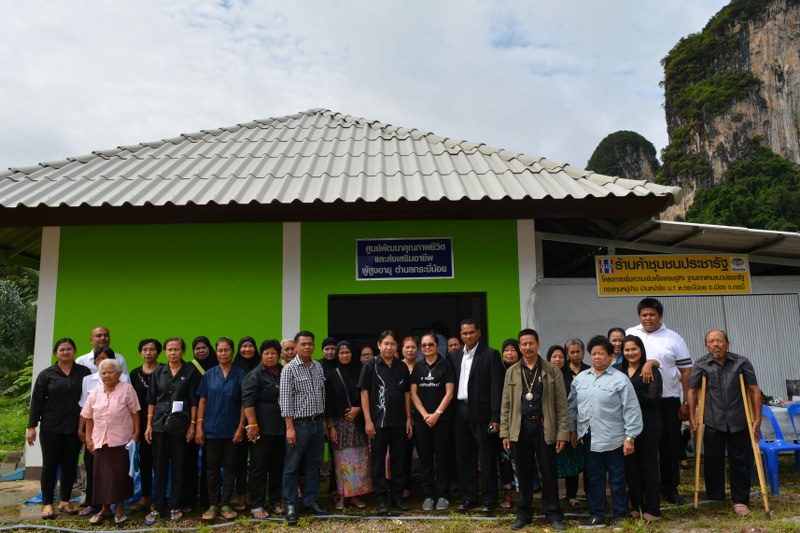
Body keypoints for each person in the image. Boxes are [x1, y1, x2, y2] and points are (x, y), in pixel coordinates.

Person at [568, 335, 642, 529]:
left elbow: (631, 409)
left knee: (617, 478)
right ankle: (596, 515)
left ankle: (619, 515)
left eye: (601, 353)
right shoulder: (581, 379)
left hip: (615, 438)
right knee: (593, 478)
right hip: (589, 437)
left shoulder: (620, 379)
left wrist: (630, 437)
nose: (597, 357)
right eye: (593, 354)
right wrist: (572, 430)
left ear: (611, 357)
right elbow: (571, 407)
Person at [500, 329, 569, 531]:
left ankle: (553, 513)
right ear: (520, 347)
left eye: (531, 343)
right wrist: (505, 432)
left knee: (548, 471)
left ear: (538, 344)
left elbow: (561, 405)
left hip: (544, 426)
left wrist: (562, 433)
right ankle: (524, 513)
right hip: (520, 427)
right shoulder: (512, 371)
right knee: (523, 473)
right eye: (524, 344)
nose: (527, 347)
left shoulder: (551, 370)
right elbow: (506, 404)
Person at [688, 330, 762, 517]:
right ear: (706, 346)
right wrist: (692, 416)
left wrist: (758, 417)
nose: (716, 344)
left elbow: (754, 391)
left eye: (719, 340)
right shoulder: (701, 364)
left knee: (741, 461)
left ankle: (740, 500)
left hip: (739, 420)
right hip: (713, 421)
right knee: (713, 460)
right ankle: (716, 496)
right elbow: (691, 391)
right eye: (711, 341)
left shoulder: (741, 362)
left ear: (727, 343)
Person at [626, 297, 692, 504]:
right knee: (641, 448)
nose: (648, 318)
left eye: (652, 314)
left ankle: (670, 489)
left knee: (670, 447)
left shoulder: (674, 338)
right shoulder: (632, 334)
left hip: (668, 400)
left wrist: (685, 402)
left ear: (660, 316)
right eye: (644, 314)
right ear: (639, 316)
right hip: (638, 402)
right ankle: (641, 491)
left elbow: (686, 372)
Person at [27, 338, 91, 519]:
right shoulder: (47, 374)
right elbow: (37, 402)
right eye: (62, 349)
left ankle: (65, 501)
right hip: (51, 427)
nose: (65, 352)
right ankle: (47, 504)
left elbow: (90, 398)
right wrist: (31, 426)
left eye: (69, 349)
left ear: (75, 351)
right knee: (50, 466)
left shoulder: (84, 372)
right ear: (56, 353)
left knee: (70, 465)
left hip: (75, 427)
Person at [144, 337, 200, 525]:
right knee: (159, 467)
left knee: (178, 466)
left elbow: (194, 401)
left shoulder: (190, 371)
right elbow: (152, 399)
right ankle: (157, 506)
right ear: (165, 352)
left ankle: (176, 505)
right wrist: (149, 425)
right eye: (169, 349)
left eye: (176, 349)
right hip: (159, 425)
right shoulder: (159, 371)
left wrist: (192, 424)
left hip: (180, 426)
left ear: (183, 352)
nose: (173, 353)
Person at [450, 318, 504, 511]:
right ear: (460, 334)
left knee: (487, 457)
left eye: (471, 332)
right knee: (464, 458)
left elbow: (496, 388)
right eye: (464, 333)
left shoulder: (490, 355)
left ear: (479, 333)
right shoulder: (455, 356)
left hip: (483, 413)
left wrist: (495, 417)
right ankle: (468, 498)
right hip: (460, 411)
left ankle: (490, 499)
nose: (468, 336)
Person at [80, 358, 140, 524]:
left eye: (110, 372)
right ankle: (105, 509)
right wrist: (88, 437)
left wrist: (136, 434)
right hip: (100, 440)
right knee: (101, 477)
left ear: (119, 373)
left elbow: (135, 413)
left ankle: (119, 509)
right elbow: (88, 417)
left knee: (119, 475)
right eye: (103, 372)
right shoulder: (95, 393)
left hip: (121, 440)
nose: (106, 375)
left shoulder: (127, 389)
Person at [358, 330, 413, 513]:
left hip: (398, 422)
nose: (389, 347)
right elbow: (364, 393)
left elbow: (406, 393)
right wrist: (367, 420)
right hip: (377, 423)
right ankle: (380, 499)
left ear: (397, 346)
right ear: (379, 345)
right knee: (378, 462)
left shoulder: (402, 367)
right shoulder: (370, 365)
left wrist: (408, 419)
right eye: (386, 344)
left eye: (392, 344)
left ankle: (397, 497)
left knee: (399, 461)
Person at [196, 337, 247, 521]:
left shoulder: (241, 375)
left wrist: (241, 427)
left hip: (232, 429)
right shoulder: (209, 374)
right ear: (216, 352)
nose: (223, 353)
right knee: (211, 468)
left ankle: (226, 503)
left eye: (226, 350)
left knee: (230, 466)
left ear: (232, 352)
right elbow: (202, 401)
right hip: (211, 430)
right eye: (220, 350)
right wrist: (199, 426)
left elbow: (244, 403)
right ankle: (212, 504)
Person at [279, 330, 328, 525]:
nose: (307, 347)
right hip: (298, 425)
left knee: (314, 465)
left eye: (310, 344)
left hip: (316, 423)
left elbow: (322, 394)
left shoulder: (317, 366)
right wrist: (289, 427)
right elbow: (285, 401)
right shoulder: (289, 369)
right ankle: (291, 504)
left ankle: (311, 500)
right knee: (291, 466)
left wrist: (323, 421)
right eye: (303, 344)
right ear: (296, 347)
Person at [614, 335, 662, 521]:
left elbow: (653, 398)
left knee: (649, 466)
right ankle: (636, 504)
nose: (630, 353)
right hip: (624, 426)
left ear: (641, 350)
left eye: (634, 349)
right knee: (630, 467)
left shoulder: (651, 370)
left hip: (649, 425)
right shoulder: (617, 370)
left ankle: (653, 508)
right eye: (627, 350)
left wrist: (629, 392)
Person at [410, 333, 455, 511]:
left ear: (437, 346)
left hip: (442, 419)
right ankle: (428, 494)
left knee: (443, 458)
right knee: (425, 459)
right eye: (424, 345)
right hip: (423, 421)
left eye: (430, 345)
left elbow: (450, 392)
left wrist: (436, 414)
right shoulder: (418, 368)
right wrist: (425, 415)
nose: (427, 348)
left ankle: (444, 495)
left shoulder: (446, 365)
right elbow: (413, 393)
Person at [325, 340, 370, 510]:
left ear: (353, 354)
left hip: (358, 424)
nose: (345, 355)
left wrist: (357, 409)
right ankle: (342, 497)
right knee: (341, 462)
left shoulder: (361, 371)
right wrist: (331, 426)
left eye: (348, 352)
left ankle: (355, 497)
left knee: (358, 461)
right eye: (341, 353)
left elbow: (366, 393)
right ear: (337, 355)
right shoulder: (330, 375)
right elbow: (327, 403)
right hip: (339, 425)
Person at [243, 339, 286, 518]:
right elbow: (248, 402)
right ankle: (257, 504)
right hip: (261, 429)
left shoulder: (284, 372)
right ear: (262, 355)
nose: (270, 356)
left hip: (281, 428)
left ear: (279, 355)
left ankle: (276, 501)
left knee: (277, 466)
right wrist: (252, 425)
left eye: (273, 353)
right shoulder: (254, 375)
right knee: (259, 467)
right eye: (266, 353)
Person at [546, 344, 584, 508]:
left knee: (571, 461)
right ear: (549, 359)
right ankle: (552, 495)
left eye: (561, 356)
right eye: (554, 356)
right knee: (550, 462)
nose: (557, 359)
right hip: (549, 426)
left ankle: (571, 495)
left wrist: (571, 427)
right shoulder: (544, 376)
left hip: (569, 426)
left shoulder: (572, 378)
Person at [129, 339, 163, 513]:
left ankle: (160, 497)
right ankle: (146, 496)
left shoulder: (165, 370)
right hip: (141, 423)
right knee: (145, 461)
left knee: (161, 461)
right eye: (145, 350)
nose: (148, 353)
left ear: (158, 352)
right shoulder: (134, 374)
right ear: (140, 352)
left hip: (163, 422)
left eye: (152, 349)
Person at [185, 335, 217, 512]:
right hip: (192, 416)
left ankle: (208, 500)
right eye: (197, 348)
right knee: (189, 461)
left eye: (204, 347)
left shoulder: (217, 366)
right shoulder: (188, 367)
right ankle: (189, 500)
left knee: (210, 462)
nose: (201, 350)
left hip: (213, 418)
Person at [233, 336, 259, 510]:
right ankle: (242, 497)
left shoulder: (261, 368)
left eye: (250, 346)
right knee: (240, 461)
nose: (247, 349)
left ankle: (256, 497)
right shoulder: (234, 369)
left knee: (258, 462)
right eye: (244, 346)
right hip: (238, 422)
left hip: (259, 421)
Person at [498, 339, 521, 509]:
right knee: (505, 460)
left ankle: (526, 493)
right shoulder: (498, 371)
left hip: (523, 422)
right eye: (506, 350)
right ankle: (508, 493)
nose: (510, 353)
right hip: (504, 423)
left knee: (523, 459)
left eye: (513, 350)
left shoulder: (525, 370)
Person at [400, 336, 418, 499]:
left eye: (413, 347)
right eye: (407, 347)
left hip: (421, 415)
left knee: (425, 452)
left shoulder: (422, 366)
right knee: (403, 453)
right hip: (402, 417)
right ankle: (404, 486)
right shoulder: (398, 366)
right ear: (402, 349)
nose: (410, 350)